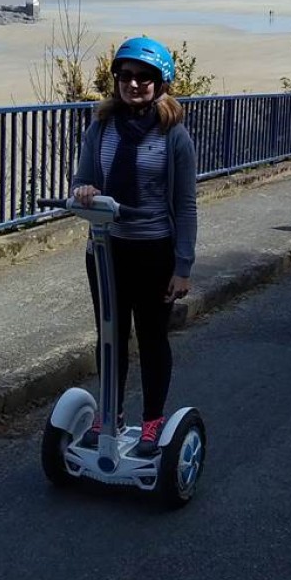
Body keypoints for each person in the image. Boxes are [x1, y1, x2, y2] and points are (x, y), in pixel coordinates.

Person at [71, 36, 198, 456]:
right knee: (110, 336)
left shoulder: (173, 135)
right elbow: (81, 182)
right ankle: (110, 416)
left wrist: (183, 266)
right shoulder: (100, 127)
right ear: (117, 80)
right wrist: (85, 192)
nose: (135, 84)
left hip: (153, 251)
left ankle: (151, 422)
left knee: (151, 337)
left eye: (145, 77)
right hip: (106, 250)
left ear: (161, 83)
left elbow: (185, 204)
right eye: (126, 75)